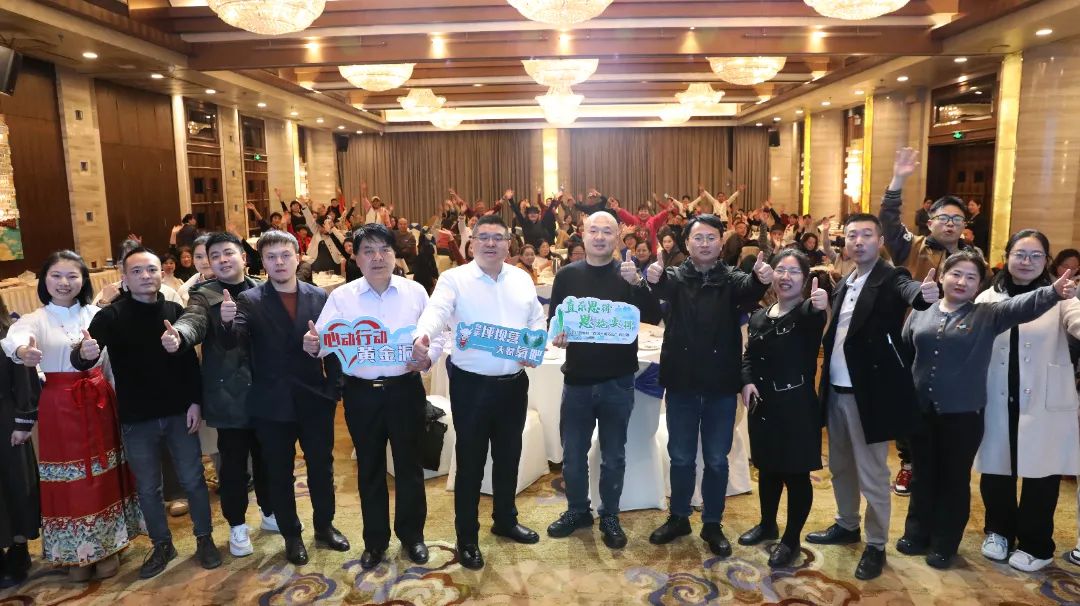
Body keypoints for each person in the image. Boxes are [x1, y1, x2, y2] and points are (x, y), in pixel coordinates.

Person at [896, 250, 1074, 569]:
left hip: (963, 415)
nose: (961, 281)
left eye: (971, 277)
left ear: (979, 285)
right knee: (922, 475)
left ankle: (944, 543)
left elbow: (1023, 305)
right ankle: (917, 533)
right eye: (955, 274)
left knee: (953, 480)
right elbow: (906, 350)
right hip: (920, 410)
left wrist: (1053, 292)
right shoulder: (922, 310)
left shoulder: (987, 314)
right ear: (942, 276)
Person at [73, 247, 221, 579]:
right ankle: (162, 544)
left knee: (193, 480)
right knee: (149, 488)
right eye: (137, 271)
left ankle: (205, 539)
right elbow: (83, 356)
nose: (145, 276)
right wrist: (83, 353)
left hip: (179, 412)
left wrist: (195, 402)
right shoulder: (111, 316)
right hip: (137, 416)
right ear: (124, 278)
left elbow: (189, 363)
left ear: (161, 273)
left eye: (151, 269)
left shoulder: (174, 310)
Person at [805, 213, 938, 580]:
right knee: (840, 466)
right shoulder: (846, 280)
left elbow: (910, 291)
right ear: (845, 242)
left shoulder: (890, 277)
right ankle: (846, 523)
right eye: (852, 235)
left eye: (867, 235)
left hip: (869, 395)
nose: (859, 241)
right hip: (835, 389)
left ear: (879, 241)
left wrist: (924, 295)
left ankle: (876, 543)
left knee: (873, 474)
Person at [412, 214, 546, 571]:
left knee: (509, 455)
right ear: (471, 243)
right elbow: (436, 312)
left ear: (508, 243)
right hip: (471, 386)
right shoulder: (454, 279)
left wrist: (534, 344)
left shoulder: (521, 278)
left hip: (514, 384)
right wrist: (422, 336)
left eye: (497, 237)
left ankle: (505, 519)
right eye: (482, 237)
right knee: (470, 462)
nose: (490, 243)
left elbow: (536, 318)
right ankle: (467, 537)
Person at [307, 223, 443, 571]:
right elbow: (323, 341)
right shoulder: (342, 297)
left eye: (384, 249)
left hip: (405, 390)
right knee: (369, 468)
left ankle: (412, 537)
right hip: (361, 394)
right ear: (355, 257)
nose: (377, 257)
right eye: (368, 251)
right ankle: (375, 542)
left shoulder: (415, 292)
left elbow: (438, 336)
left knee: (410, 466)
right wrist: (313, 345)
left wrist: (427, 357)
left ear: (395, 255)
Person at [1, 251, 142, 581]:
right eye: (56, 275)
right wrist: (23, 351)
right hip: (60, 407)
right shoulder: (35, 319)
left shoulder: (95, 314)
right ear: (44, 280)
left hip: (99, 399)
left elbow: (113, 360)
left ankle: (109, 546)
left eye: (72, 276)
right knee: (69, 480)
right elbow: (14, 339)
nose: (64, 283)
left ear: (84, 281)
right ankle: (75, 550)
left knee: (104, 472)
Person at [641, 214, 773, 557]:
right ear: (687, 243)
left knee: (716, 459)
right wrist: (652, 277)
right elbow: (659, 285)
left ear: (720, 242)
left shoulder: (731, 278)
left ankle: (712, 523)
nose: (704, 243)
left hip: (720, 385)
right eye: (697, 238)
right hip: (682, 383)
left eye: (711, 237)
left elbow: (749, 289)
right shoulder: (675, 277)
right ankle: (679, 517)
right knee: (681, 457)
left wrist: (760, 280)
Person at [220, 230, 349, 566]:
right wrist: (227, 323)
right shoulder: (250, 300)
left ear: (297, 257)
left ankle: (324, 526)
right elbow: (236, 342)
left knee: (322, 467)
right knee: (279, 472)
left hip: (314, 398)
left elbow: (334, 344)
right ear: (262, 262)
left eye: (285, 255)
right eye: (271, 257)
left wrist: (334, 388)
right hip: (271, 401)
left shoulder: (318, 296)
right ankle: (291, 534)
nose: (279, 262)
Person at [545, 212, 658, 549]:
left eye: (606, 231)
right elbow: (555, 321)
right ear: (582, 234)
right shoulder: (567, 275)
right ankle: (578, 510)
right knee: (572, 454)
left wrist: (639, 284)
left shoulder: (628, 274)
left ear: (618, 237)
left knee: (613, 455)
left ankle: (609, 514)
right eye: (593, 230)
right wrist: (558, 335)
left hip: (618, 381)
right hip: (577, 380)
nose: (599, 237)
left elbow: (654, 316)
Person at [164, 231, 276, 559]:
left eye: (228, 252)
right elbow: (193, 322)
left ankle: (269, 511)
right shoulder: (204, 295)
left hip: (266, 392)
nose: (223, 260)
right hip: (229, 395)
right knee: (233, 467)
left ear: (243, 256)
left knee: (268, 459)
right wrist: (179, 336)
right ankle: (237, 526)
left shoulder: (262, 289)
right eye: (215, 256)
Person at [973, 231, 1080, 572]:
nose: (1027, 261)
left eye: (1036, 256)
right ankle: (999, 531)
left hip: (1043, 398)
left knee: (1042, 475)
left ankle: (1037, 544)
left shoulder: (1062, 296)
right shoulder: (987, 296)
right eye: (1020, 254)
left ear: (1047, 261)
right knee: (996, 468)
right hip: (998, 393)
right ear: (1007, 256)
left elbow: (1077, 321)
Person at [879, 147, 980, 498]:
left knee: (945, 407)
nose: (950, 223)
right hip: (911, 338)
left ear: (965, 226)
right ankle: (909, 465)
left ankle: (940, 466)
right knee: (908, 403)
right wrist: (898, 179)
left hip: (955, 343)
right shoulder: (912, 246)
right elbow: (888, 221)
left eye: (958, 219)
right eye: (944, 217)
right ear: (930, 219)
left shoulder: (972, 258)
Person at [738, 250, 828, 568]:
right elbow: (748, 356)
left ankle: (791, 539)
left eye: (794, 272)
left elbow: (815, 315)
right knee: (768, 468)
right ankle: (767, 525)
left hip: (796, 406)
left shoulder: (807, 313)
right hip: (763, 405)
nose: (785, 277)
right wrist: (746, 381)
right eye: (780, 270)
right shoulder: (760, 316)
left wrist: (819, 304)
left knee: (796, 474)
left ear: (805, 279)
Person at [0, 296, 40, 589]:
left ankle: (18, 547)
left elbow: (24, 378)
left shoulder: (9, 334)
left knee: (14, 484)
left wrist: (23, 421)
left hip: (5, 419)